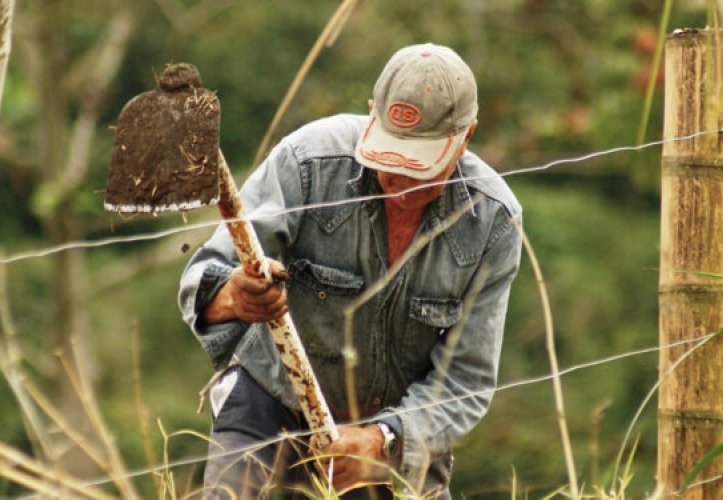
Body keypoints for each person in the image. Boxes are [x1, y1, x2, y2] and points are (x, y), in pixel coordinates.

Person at [178, 43, 522, 499]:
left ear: (466, 137)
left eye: (421, 165)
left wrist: (380, 442)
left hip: (391, 439)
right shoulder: (307, 163)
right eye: (389, 157)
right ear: (372, 116)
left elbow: (465, 383)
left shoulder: (492, 223)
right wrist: (234, 297)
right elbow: (204, 279)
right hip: (270, 403)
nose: (399, 180)